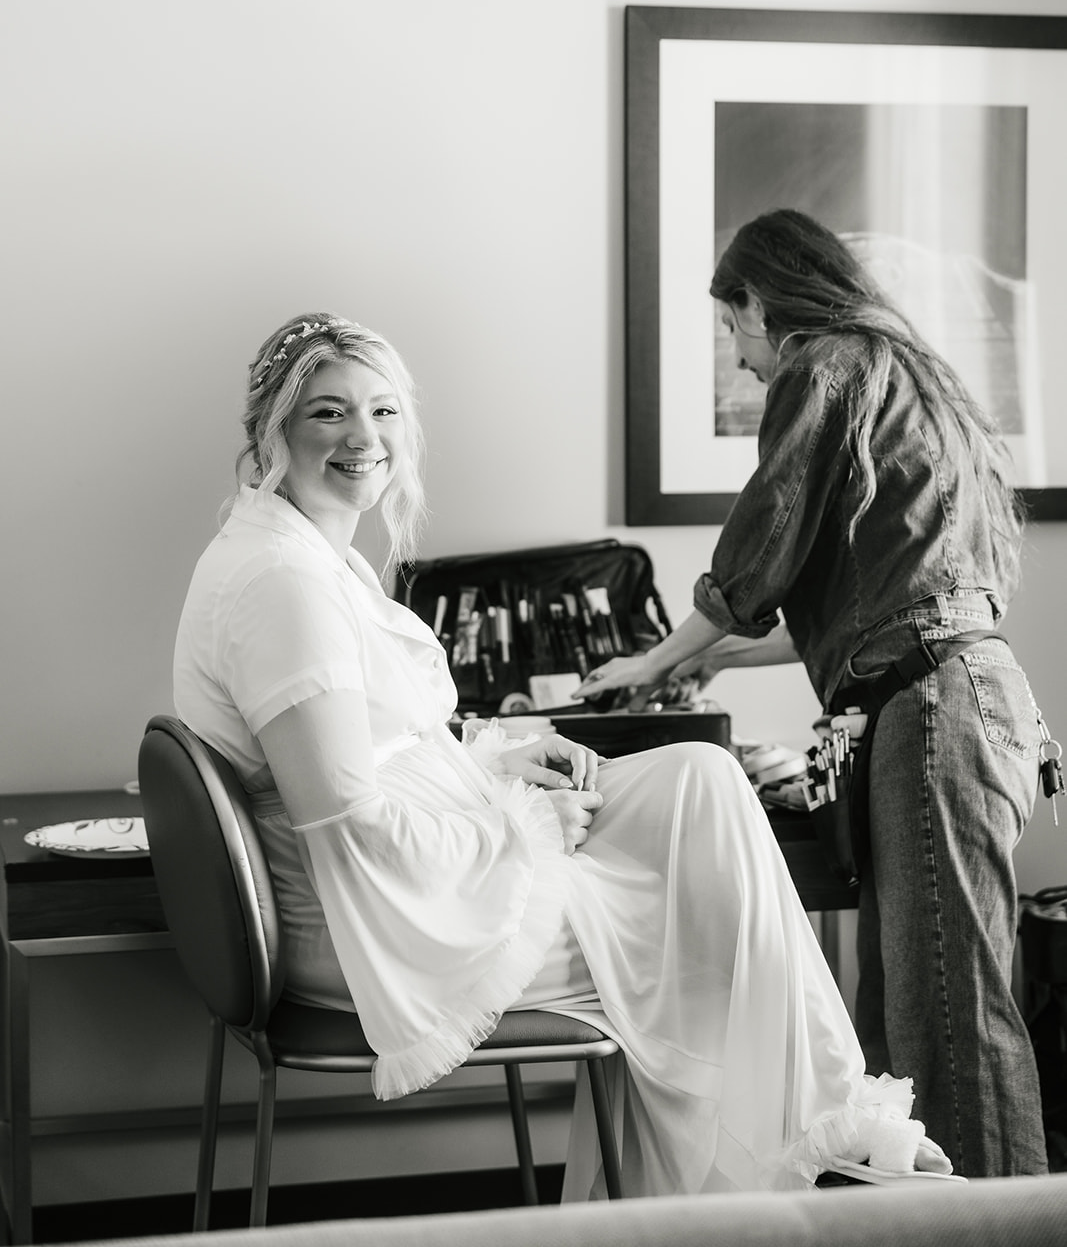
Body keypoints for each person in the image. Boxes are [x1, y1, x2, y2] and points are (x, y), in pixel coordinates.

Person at [174, 309, 957, 1200]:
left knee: (701, 777)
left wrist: (499, 758)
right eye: (327, 413)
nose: (364, 437)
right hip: (368, 923)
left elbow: (380, 742)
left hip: (406, 877)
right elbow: (348, 822)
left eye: (383, 411)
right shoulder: (284, 586)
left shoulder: (311, 557)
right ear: (271, 428)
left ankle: (822, 1143)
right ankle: (804, 1170)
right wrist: (526, 824)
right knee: (708, 942)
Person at [575, 209, 1050, 1180]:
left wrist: (652, 661)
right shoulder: (913, 374)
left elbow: (762, 538)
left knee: (946, 1025)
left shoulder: (822, 359)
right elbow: (875, 600)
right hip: (968, 696)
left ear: (759, 300)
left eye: (729, 327)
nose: (739, 359)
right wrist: (707, 659)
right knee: (915, 1018)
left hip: (931, 713)